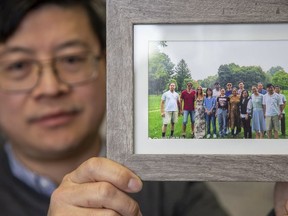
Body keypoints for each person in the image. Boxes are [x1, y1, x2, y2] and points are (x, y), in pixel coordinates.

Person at [0, 2, 231, 214]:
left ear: (110, 66)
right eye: (18, 65)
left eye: (71, 59)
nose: (50, 88)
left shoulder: (172, 186)